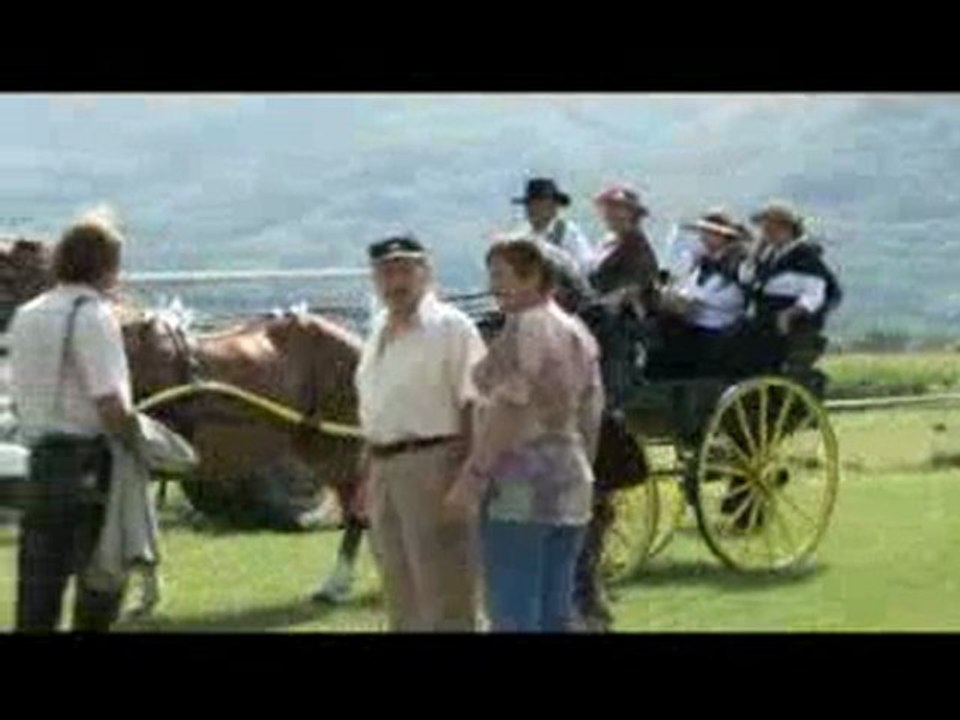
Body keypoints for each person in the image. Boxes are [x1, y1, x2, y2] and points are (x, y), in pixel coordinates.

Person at [444, 238, 604, 633]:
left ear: (532, 276)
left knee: (513, 610)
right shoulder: (578, 331)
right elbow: (592, 409)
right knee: (555, 613)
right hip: (572, 480)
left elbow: (511, 404)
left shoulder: (526, 325)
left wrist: (473, 475)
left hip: (521, 485)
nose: (492, 286)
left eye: (500, 275)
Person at [9, 209, 140, 633]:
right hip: (89, 464)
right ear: (106, 266)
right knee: (99, 587)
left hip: (42, 463)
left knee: (38, 588)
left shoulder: (27, 314)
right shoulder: (94, 315)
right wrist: (140, 442)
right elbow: (109, 401)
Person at [355, 234, 486, 632]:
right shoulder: (377, 327)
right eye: (385, 272)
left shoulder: (451, 327)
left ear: (424, 272)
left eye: (404, 270)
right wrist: (366, 476)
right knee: (400, 588)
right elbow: (376, 408)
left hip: (434, 462)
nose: (395, 281)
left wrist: (466, 475)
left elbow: (474, 402)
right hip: (384, 466)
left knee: (446, 586)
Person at [572, 184, 659, 632]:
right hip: (596, 321)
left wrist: (594, 307)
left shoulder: (638, 249)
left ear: (632, 213)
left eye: (618, 209)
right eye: (607, 208)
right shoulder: (605, 244)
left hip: (620, 337)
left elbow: (631, 292)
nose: (611, 214)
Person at [647, 209, 751, 380]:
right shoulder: (702, 265)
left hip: (714, 333)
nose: (702, 237)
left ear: (723, 237)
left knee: (666, 328)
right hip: (695, 324)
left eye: (709, 233)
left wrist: (671, 300)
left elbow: (700, 303)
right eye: (703, 232)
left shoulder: (735, 268)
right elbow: (684, 290)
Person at [739, 202, 843, 374]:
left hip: (791, 322)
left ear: (786, 228)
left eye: (769, 229)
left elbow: (814, 295)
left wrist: (790, 314)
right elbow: (746, 278)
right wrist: (754, 254)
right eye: (764, 229)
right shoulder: (769, 254)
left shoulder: (805, 256)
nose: (765, 233)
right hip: (764, 317)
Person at [513, 177, 595, 307]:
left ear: (554, 207)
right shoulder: (523, 237)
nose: (534, 209)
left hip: (568, 304)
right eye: (531, 204)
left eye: (541, 203)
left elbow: (585, 269)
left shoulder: (569, 233)